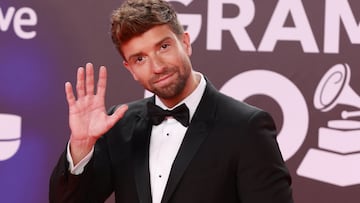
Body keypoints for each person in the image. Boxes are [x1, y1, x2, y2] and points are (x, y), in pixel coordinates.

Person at [49, 0, 294, 202]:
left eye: (164, 46)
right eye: (140, 59)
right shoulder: (120, 127)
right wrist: (81, 146)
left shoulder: (246, 127)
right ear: (130, 69)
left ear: (185, 42)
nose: (157, 66)